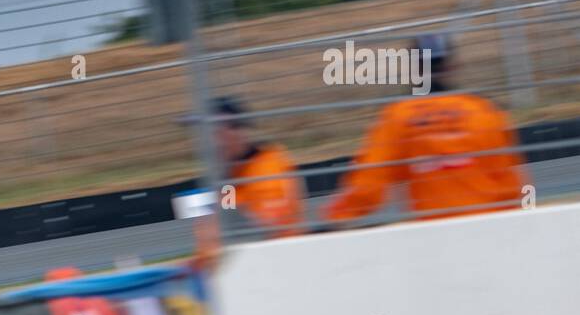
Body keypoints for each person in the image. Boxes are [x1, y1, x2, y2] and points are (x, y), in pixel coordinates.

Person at [324, 34, 528, 224]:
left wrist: (337, 218)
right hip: (490, 226)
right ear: (452, 66)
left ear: (414, 68)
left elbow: (368, 183)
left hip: (433, 234)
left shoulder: (398, 117)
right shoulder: (483, 111)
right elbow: (511, 181)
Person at [212, 97, 305, 238]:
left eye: (217, 133)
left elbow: (271, 222)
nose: (213, 142)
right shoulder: (229, 176)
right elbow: (229, 221)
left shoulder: (269, 164)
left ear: (236, 132)